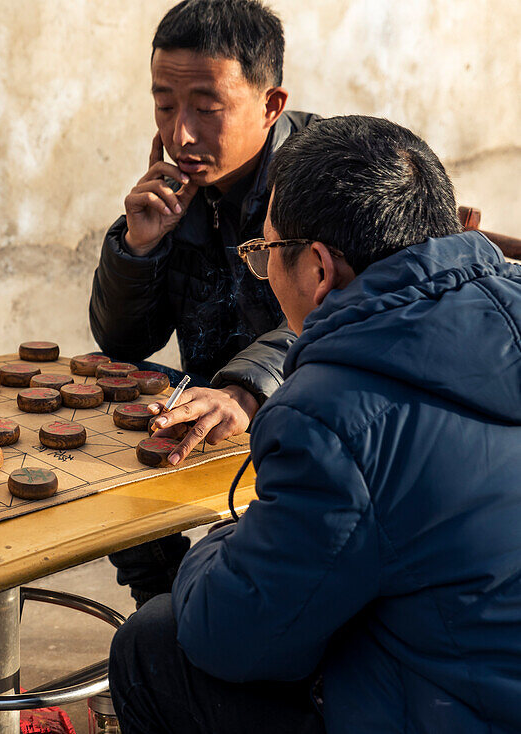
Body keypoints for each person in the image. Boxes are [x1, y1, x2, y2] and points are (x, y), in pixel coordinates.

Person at [108, 114, 521, 733]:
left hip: (450, 709)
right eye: (162, 103)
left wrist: (217, 549)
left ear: (319, 269)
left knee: (154, 643)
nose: (181, 132)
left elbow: (234, 634)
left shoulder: (330, 414)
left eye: (264, 253)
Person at [89, 0, 318, 606]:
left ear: (272, 105)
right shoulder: (179, 188)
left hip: (317, 416)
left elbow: (343, 312)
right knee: (111, 407)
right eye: (165, 105)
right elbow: (125, 344)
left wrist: (246, 389)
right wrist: (138, 246)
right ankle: (158, 608)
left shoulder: (328, 176)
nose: (181, 134)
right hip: (210, 399)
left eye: (207, 108)